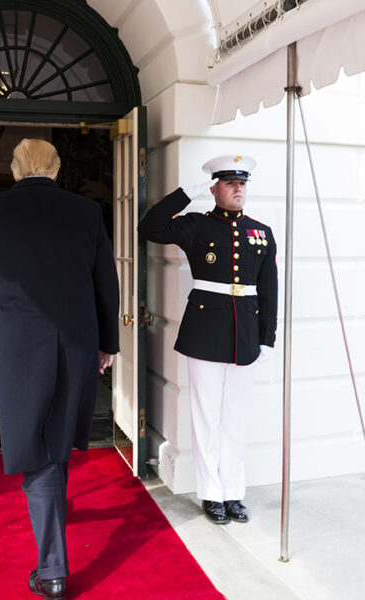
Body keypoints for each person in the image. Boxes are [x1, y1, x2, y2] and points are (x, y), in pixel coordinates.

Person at [0, 139, 119, 599]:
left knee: (36, 446)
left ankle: (52, 571)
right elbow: (106, 281)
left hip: (20, 345)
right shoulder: (87, 212)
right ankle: (53, 539)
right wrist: (108, 343)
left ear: (14, 169)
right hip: (78, 341)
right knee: (55, 439)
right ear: (58, 169)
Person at [137, 155, 277, 525]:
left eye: (242, 183)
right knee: (206, 418)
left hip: (246, 335)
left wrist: (268, 337)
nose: (238, 189)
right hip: (204, 332)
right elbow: (149, 226)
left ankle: (233, 492)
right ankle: (211, 493)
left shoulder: (261, 232)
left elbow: (269, 289)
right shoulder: (196, 225)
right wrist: (187, 194)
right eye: (230, 184)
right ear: (215, 189)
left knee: (235, 419)